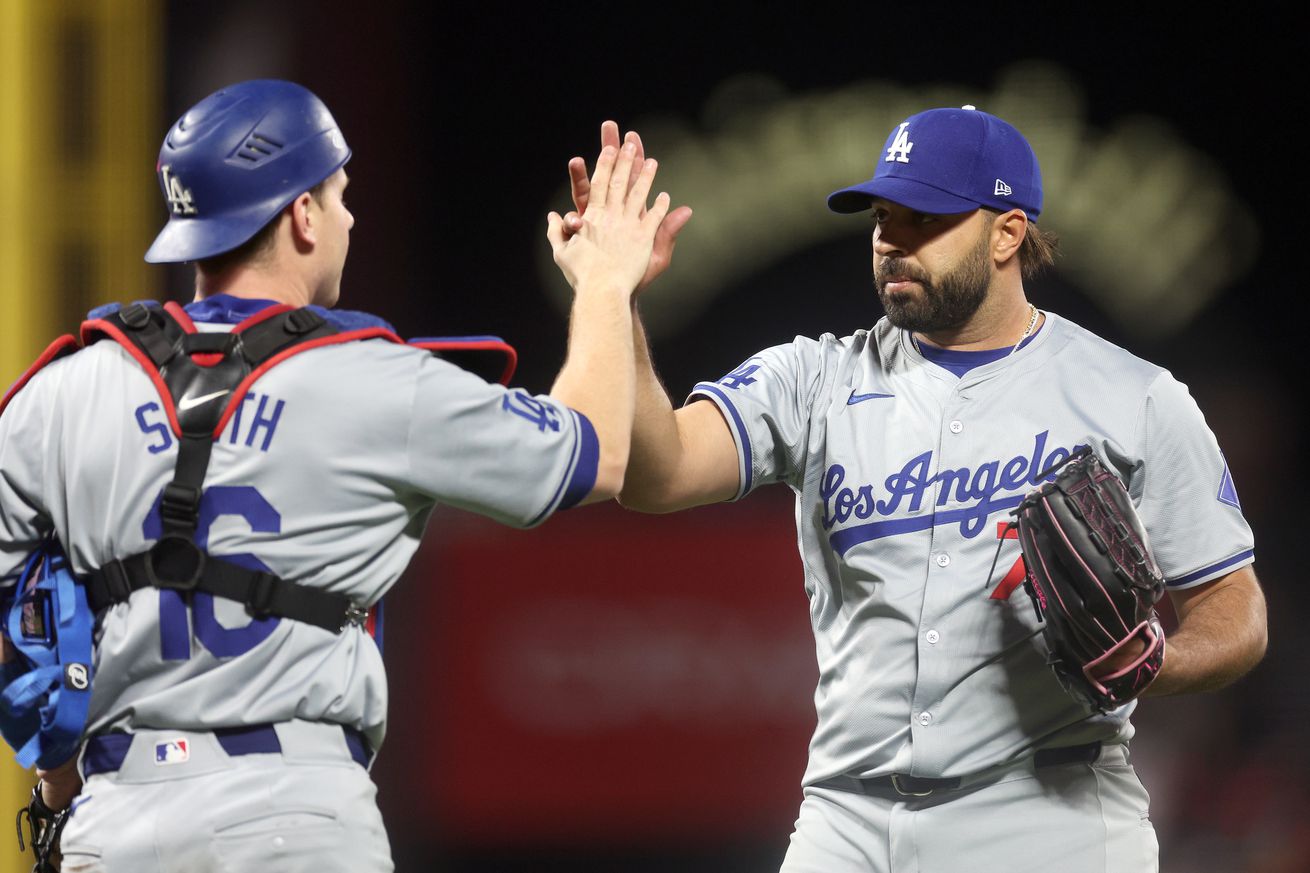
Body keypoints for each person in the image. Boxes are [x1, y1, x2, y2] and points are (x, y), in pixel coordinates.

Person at [563, 108, 1267, 872]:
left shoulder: (1134, 396)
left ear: (1007, 233)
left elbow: (1236, 612)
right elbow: (653, 474)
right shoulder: (816, 378)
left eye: (924, 217)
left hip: (1047, 813)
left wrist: (1154, 661)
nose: (891, 239)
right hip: (847, 818)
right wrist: (614, 295)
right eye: (882, 215)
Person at [0, 78, 670, 872]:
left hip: (116, 825)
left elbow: (29, 626)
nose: (350, 216)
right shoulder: (376, 383)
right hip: (296, 819)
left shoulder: (60, 395)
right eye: (339, 194)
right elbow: (597, 451)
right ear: (300, 215)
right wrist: (605, 280)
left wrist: (56, 781)